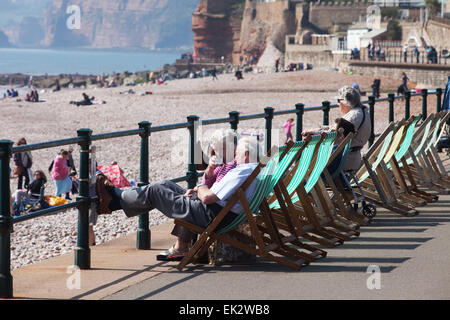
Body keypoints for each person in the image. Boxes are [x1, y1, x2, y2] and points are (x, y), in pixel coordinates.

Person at [94, 137, 261, 261]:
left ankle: (115, 201)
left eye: (237, 154)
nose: (235, 157)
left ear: (246, 155)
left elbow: (209, 198)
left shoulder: (242, 171)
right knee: (166, 184)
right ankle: (117, 199)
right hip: (219, 212)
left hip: (211, 215)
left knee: (155, 190)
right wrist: (198, 191)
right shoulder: (254, 169)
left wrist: (199, 189)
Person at [303, 86, 371, 172]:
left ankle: (302, 182)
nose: (338, 104)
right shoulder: (362, 112)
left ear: (346, 102)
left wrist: (314, 132)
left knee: (305, 158)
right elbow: (337, 128)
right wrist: (319, 129)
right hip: (352, 157)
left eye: (339, 101)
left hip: (343, 160)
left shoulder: (354, 116)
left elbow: (335, 134)